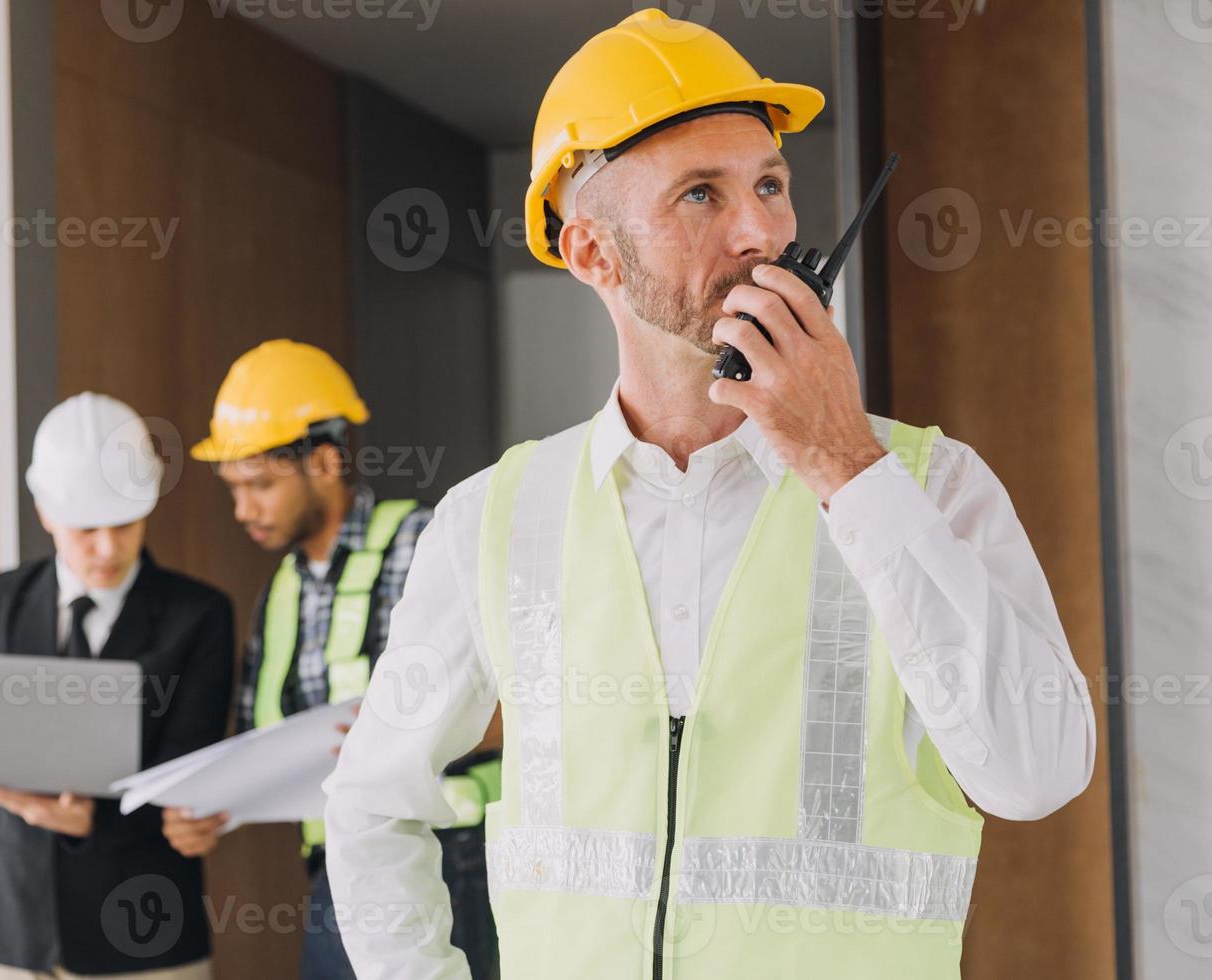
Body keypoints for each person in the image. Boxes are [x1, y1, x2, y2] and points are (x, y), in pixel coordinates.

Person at [322, 9, 1096, 979]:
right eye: (701, 194)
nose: (762, 229)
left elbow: (1037, 773)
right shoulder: (495, 518)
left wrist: (845, 465)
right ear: (593, 253)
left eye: (770, 183)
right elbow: (368, 803)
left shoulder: (932, 487)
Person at [161, 339, 501, 978]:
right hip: (338, 863)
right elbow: (266, 740)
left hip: (449, 855)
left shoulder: (423, 544)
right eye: (234, 488)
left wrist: (399, 739)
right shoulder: (283, 589)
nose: (243, 510)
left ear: (323, 462)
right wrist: (214, 811)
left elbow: (527, 698)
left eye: (260, 484)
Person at [0, 392, 234, 979]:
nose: (108, 549)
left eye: (124, 524)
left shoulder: (199, 615)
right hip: (12, 926)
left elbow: (187, 776)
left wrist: (97, 820)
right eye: (86, 528)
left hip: (143, 928)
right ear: (45, 512)